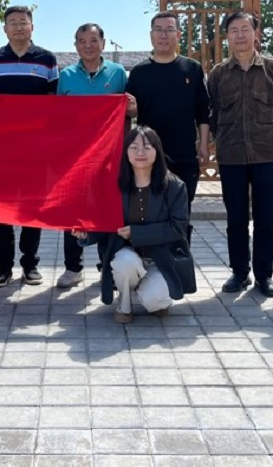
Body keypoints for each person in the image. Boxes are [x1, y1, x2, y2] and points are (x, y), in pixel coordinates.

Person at [207, 12, 273, 298]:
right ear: (226, 36)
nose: (240, 35)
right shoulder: (218, 74)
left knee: (266, 219)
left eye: (245, 29)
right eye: (233, 30)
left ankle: (264, 275)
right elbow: (213, 114)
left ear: (256, 33)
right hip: (231, 157)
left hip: (267, 155)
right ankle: (239, 272)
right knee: (236, 219)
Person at [0, 5, 59, 287]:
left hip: (35, 149)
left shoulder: (47, 60)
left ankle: (30, 265)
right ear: (5, 28)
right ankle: (3, 267)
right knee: (0, 209)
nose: (18, 27)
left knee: (32, 208)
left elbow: (54, 105)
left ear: (32, 27)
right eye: (12, 23)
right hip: (1, 149)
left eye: (23, 22)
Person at [77, 126, 191, 324]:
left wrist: (136, 233)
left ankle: (148, 288)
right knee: (124, 261)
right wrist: (86, 234)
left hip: (161, 259)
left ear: (157, 151)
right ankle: (124, 303)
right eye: (134, 147)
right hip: (126, 255)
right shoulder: (113, 185)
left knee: (156, 302)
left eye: (147, 147)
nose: (140, 152)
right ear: (126, 152)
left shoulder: (174, 186)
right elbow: (105, 224)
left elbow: (178, 227)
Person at [54, 22, 136, 289]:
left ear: (103, 43)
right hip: (74, 157)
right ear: (75, 45)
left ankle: (107, 266)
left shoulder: (118, 73)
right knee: (72, 211)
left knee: (107, 209)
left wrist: (131, 109)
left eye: (93, 40)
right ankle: (73, 267)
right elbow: (58, 116)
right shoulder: (66, 76)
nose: (88, 46)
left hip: (109, 156)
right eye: (82, 41)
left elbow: (129, 110)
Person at [125, 12, 209, 232]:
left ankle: (181, 252)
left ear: (178, 34)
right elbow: (129, 113)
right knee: (150, 213)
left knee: (182, 214)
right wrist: (131, 110)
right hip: (148, 157)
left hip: (184, 155)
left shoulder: (192, 68)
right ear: (151, 35)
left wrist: (203, 145)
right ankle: (151, 253)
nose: (164, 35)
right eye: (159, 30)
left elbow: (203, 111)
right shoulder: (139, 72)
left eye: (169, 30)